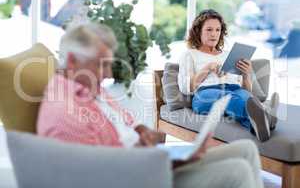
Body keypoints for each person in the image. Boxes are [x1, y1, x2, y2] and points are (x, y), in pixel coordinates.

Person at [37, 23, 264, 188]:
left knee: (247, 149)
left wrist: (141, 130)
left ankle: (259, 112)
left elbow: (123, 116)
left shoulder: (90, 87)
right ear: (74, 61)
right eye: (101, 65)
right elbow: (105, 173)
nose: (107, 74)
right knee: (237, 170)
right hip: (138, 175)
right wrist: (160, 159)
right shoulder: (65, 113)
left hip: (146, 159)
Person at [178, 9, 279, 142]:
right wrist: (208, 68)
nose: (214, 34)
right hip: (205, 93)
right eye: (209, 29)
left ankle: (259, 126)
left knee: (245, 97)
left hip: (235, 89)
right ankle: (267, 115)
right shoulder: (190, 54)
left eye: (217, 30)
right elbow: (186, 87)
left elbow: (247, 91)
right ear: (198, 31)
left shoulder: (228, 55)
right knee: (232, 99)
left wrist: (246, 73)